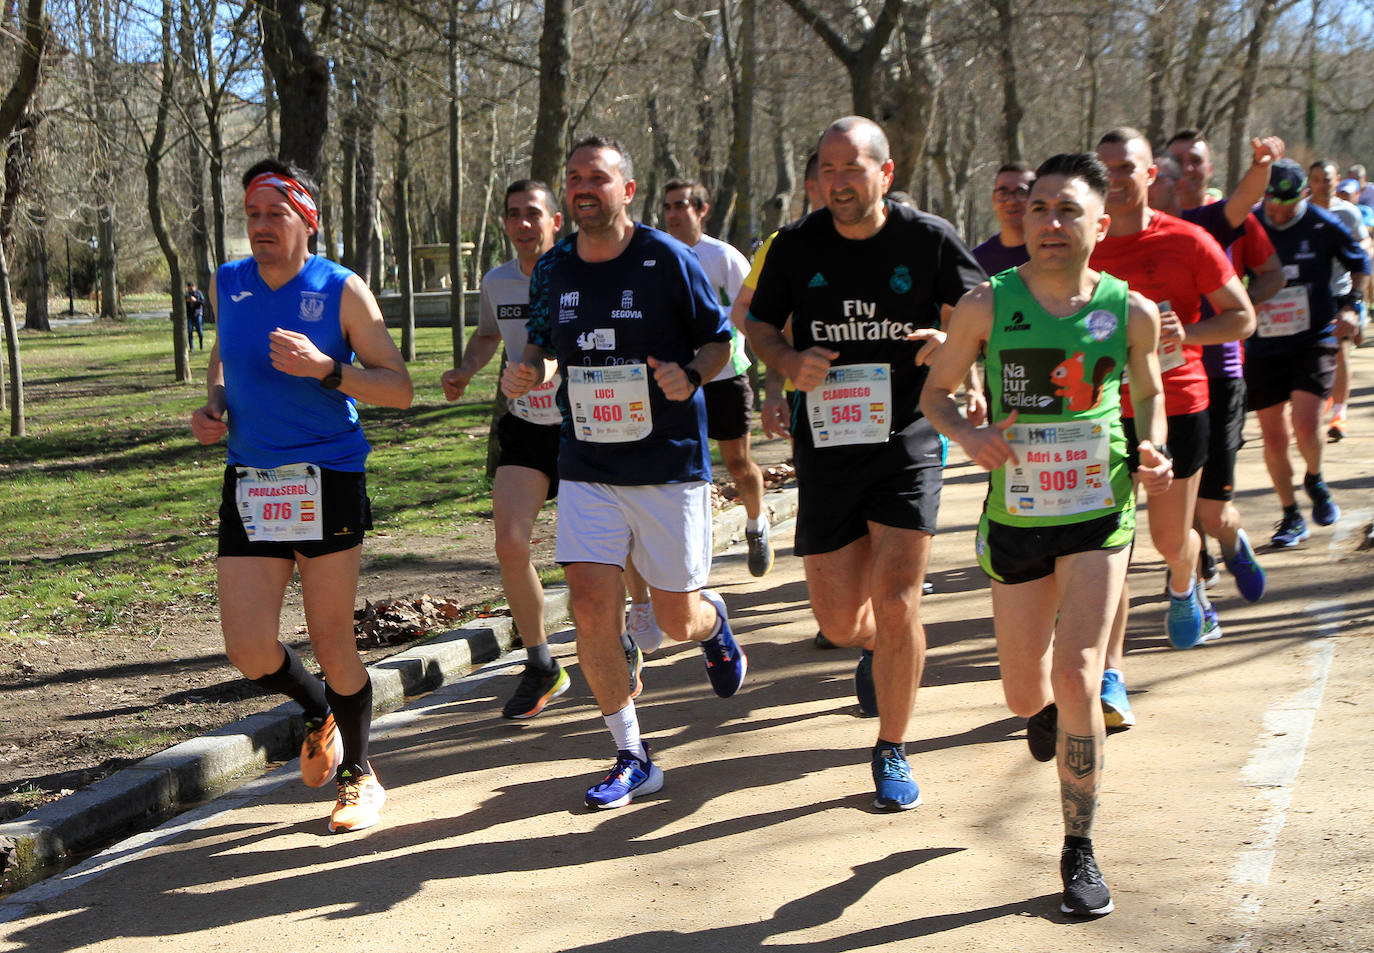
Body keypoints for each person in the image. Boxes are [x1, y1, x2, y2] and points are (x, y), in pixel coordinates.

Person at [922, 152, 1172, 918]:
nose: (1051, 224)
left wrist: (1154, 446)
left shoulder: (1128, 311)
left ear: (1102, 222)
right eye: (1038, 210)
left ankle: (1078, 845)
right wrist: (969, 436)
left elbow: (1149, 390)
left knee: (1078, 676)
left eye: (1068, 210)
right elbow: (936, 394)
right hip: (1018, 518)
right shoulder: (986, 305)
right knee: (1025, 690)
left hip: (1101, 511)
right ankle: (1045, 717)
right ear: (1022, 221)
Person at [746, 116, 985, 811]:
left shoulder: (927, 238)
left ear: (885, 172)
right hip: (826, 447)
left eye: (853, 168)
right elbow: (759, 324)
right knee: (842, 617)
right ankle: (876, 646)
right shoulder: (795, 245)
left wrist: (951, 339)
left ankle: (892, 746)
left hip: (907, 438)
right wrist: (788, 360)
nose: (838, 181)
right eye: (827, 168)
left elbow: (987, 308)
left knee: (900, 593)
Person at [503, 135, 745, 810]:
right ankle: (631, 752)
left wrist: (688, 372)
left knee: (673, 617)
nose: (583, 187)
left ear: (626, 190)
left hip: (667, 464)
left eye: (598, 178)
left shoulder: (666, 259)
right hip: (587, 462)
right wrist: (534, 370)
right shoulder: (553, 268)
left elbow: (720, 339)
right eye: (574, 177)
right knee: (588, 607)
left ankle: (713, 620)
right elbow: (546, 343)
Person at [190, 159, 414, 833]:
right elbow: (223, 361)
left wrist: (326, 370)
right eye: (252, 215)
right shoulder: (228, 283)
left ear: (306, 220)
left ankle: (361, 777)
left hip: (328, 478)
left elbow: (399, 387)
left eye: (274, 215)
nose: (259, 228)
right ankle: (317, 710)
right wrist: (215, 407)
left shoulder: (341, 290)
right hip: (254, 481)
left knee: (333, 639)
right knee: (249, 646)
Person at [1091, 127, 1255, 729]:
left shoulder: (1187, 240)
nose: (1114, 176)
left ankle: (1185, 585)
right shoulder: (1083, 244)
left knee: (1165, 540)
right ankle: (1111, 677)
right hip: (1100, 410)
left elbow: (1243, 315)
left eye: (1125, 166)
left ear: (1149, 175)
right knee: (1110, 548)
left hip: (1179, 402)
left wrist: (1190, 337)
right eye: (1103, 166)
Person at [441, 180, 571, 719]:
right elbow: (489, 333)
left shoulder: (577, 272)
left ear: (554, 220)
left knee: (603, 547)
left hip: (586, 423)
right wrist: (466, 371)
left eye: (533, 214)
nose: (523, 224)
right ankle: (541, 663)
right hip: (525, 423)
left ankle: (626, 636)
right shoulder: (496, 280)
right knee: (511, 543)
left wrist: (543, 368)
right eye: (513, 215)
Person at [1154, 133, 1288, 605]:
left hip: (1218, 373)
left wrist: (1231, 314)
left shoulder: (1213, 220)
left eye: (1197, 161)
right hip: (1157, 383)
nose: (1189, 170)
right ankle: (1193, 583)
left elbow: (1248, 200)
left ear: (1210, 168)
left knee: (1212, 513)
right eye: (1179, 163)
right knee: (1176, 506)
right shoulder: (1125, 233)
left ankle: (1230, 541)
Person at [1252, 159, 1370, 546]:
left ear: (1302, 195)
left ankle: (1315, 479)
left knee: (1305, 423)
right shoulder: (1250, 221)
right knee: (1273, 436)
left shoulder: (1323, 224)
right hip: (1264, 342)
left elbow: (1360, 261)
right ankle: (1290, 515)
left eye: (1286, 203)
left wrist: (1353, 306)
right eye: (1271, 202)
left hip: (1314, 336)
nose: (1277, 211)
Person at [660, 178, 773, 577]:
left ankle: (757, 526)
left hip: (726, 375)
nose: (673, 215)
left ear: (701, 210)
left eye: (681, 206)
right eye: (668, 207)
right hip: (676, 381)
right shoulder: (658, 257)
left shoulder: (725, 257)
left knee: (738, 465)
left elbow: (752, 315)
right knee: (684, 471)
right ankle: (690, 554)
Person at [1308, 160, 1372, 442]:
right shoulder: (1301, 212)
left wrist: (1359, 299)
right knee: (1308, 355)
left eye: (1328, 179)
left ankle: (1340, 413)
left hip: (1340, 290)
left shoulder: (1349, 213)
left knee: (1341, 351)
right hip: (1306, 294)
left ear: (1338, 181)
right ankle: (1315, 404)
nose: (1324, 184)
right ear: (1310, 183)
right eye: (1318, 179)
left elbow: (1363, 247)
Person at [971, 161, 1035, 275]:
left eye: (1021, 193)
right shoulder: (976, 261)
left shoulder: (1049, 254)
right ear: (993, 199)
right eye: (1003, 193)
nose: (1011, 201)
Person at [185, 281, 205, 351]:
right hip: (189, 315)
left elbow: (203, 302)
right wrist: (186, 301)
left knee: (199, 330)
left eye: (191, 288)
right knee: (190, 331)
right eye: (189, 289)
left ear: (194, 287)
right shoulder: (187, 295)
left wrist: (195, 300)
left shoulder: (199, 293)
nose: (190, 290)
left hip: (198, 314)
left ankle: (201, 344)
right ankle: (191, 347)